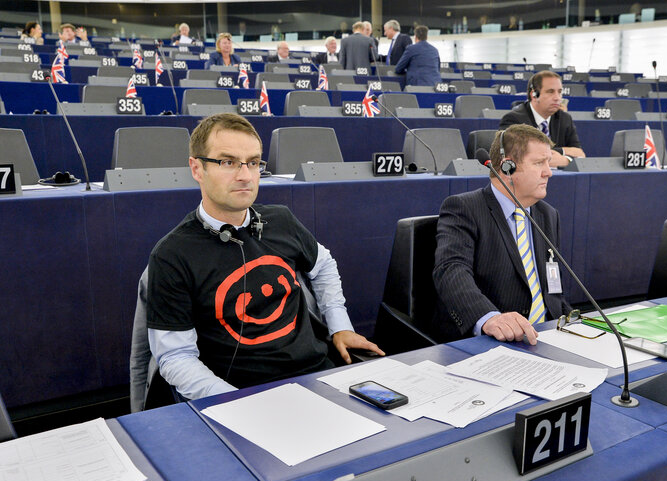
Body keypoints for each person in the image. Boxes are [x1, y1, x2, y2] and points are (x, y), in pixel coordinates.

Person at [146, 113, 384, 400]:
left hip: (318, 376)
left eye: (254, 162)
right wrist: (235, 402)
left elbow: (323, 266)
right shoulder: (172, 255)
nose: (245, 175)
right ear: (197, 169)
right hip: (239, 394)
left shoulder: (281, 220)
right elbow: (176, 358)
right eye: (227, 162)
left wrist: (340, 326)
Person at [432, 123, 571, 344]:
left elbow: (553, 286)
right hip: (495, 340)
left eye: (548, 162)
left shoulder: (548, 214)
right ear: (508, 168)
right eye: (538, 163)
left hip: (547, 336)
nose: (549, 172)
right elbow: (451, 270)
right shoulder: (464, 208)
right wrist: (489, 318)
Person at [499, 70, 585, 168]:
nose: (557, 98)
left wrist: (566, 160)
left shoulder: (564, 118)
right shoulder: (513, 120)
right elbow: (517, 156)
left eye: (560, 92)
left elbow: (580, 153)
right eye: (550, 92)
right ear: (534, 95)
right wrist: (562, 151)